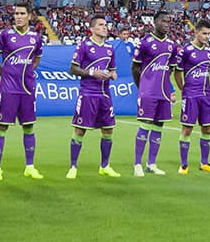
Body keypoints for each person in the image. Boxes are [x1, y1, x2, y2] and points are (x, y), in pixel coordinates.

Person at [0, 4, 45, 180]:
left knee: (28, 126)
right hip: (9, 88)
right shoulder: (6, 34)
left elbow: (36, 59)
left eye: (22, 13)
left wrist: (28, 70)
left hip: (27, 88)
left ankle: (30, 166)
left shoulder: (35, 37)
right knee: (2, 126)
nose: (18, 17)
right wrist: (3, 72)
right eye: (16, 14)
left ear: (29, 16)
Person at [67, 15, 121, 178]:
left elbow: (113, 70)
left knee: (108, 129)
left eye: (106, 24)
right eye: (101, 25)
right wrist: (92, 72)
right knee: (80, 129)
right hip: (88, 93)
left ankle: (105, 165)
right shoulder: (84, 46)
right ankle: (73, 166)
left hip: (105, 94)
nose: (105, 27)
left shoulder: (110, 48)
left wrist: (112, 75)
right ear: (92, 29)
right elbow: (73, 68)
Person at [131, 11, 177, 176]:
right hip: (148, 91)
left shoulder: (172, 45)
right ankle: (137, 164)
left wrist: (164, 84)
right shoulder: (145, 42)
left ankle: (151, 163)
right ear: (155, 21)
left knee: (159, 125)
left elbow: (171, 67)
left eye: (169, 21)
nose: (167, 24)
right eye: (164, 21)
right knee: (145, 124)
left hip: (163, 93)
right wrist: (142, 86)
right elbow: (135, 68)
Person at [172, 19, 210, 174]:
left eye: (209, 34)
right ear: (196, 32)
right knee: (187, 129)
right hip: (191, 95)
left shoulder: (208, 51)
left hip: (206, 95)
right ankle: (183, 164)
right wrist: (183, 89)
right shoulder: (185, 50)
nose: (207, 37)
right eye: (204, 33)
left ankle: (204, 163)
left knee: (207, 128)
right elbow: (177, 72)